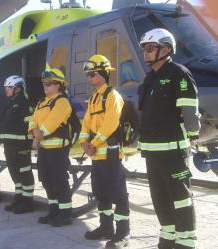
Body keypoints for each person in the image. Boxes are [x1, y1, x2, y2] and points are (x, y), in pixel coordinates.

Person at [138, 28, 200, 249]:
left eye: (150, 48)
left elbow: (189, 110)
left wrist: (193, 134)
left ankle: (186, 240)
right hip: (152, 152)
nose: (146, 52)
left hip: (173, 150)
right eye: (145, 48)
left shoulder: (179, 73)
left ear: (165, 49)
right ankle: (168, 236)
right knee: (159, 196)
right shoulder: (150, 78)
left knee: (180, 196)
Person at [79, 54, 130, 248]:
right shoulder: (94, 98)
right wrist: (84, 142)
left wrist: (94, 143)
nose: (90, 78)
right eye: (89, 75)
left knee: (118, 194)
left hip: (109, 153)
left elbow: (110, 124)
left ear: (103, 73)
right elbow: (86, 122)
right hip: (96, 155)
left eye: (92, 74)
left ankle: (123, 232)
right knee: (101, 193)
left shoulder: (112, 96)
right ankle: (106, 227)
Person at [28, 65, 73, 227]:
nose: (45, 86)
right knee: (46, 180)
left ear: (58, 85)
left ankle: (66, 213)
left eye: (49, 83)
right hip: (44, 148)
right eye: (44, 83)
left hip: (58, 149)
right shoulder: (41, 102)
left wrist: (38, 135)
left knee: (59, 180)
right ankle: (54, 210)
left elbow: (51, 123)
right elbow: (33, 119)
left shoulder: (62, 102)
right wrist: (34, 131)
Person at [0, 75, 35, 214]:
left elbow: (31, 125)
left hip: (21, 147)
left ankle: (27, 202)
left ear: (18, 89)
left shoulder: (25, 105)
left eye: (9, 88)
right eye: (6, 88)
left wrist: (28, 144)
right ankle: (19, 199)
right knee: (15, 174)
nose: (7, 91)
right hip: (9, 146)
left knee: (24, 174)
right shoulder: (8, 105)